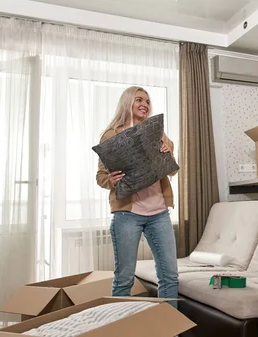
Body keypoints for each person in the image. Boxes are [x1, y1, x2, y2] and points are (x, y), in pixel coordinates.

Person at [96, 86, 179, 308]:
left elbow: (172, 171)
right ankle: (122, 329)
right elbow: (101, 177)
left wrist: (168, 155)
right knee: (124, 279)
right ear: (128, 103)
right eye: (139, 99)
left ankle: (171, 330)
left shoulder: (158, 133)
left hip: (159, 213)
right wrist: (111, 180)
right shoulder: (111, 134)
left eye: (148, 101)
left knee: (169, 277)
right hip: (127, 215)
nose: (145, 104)